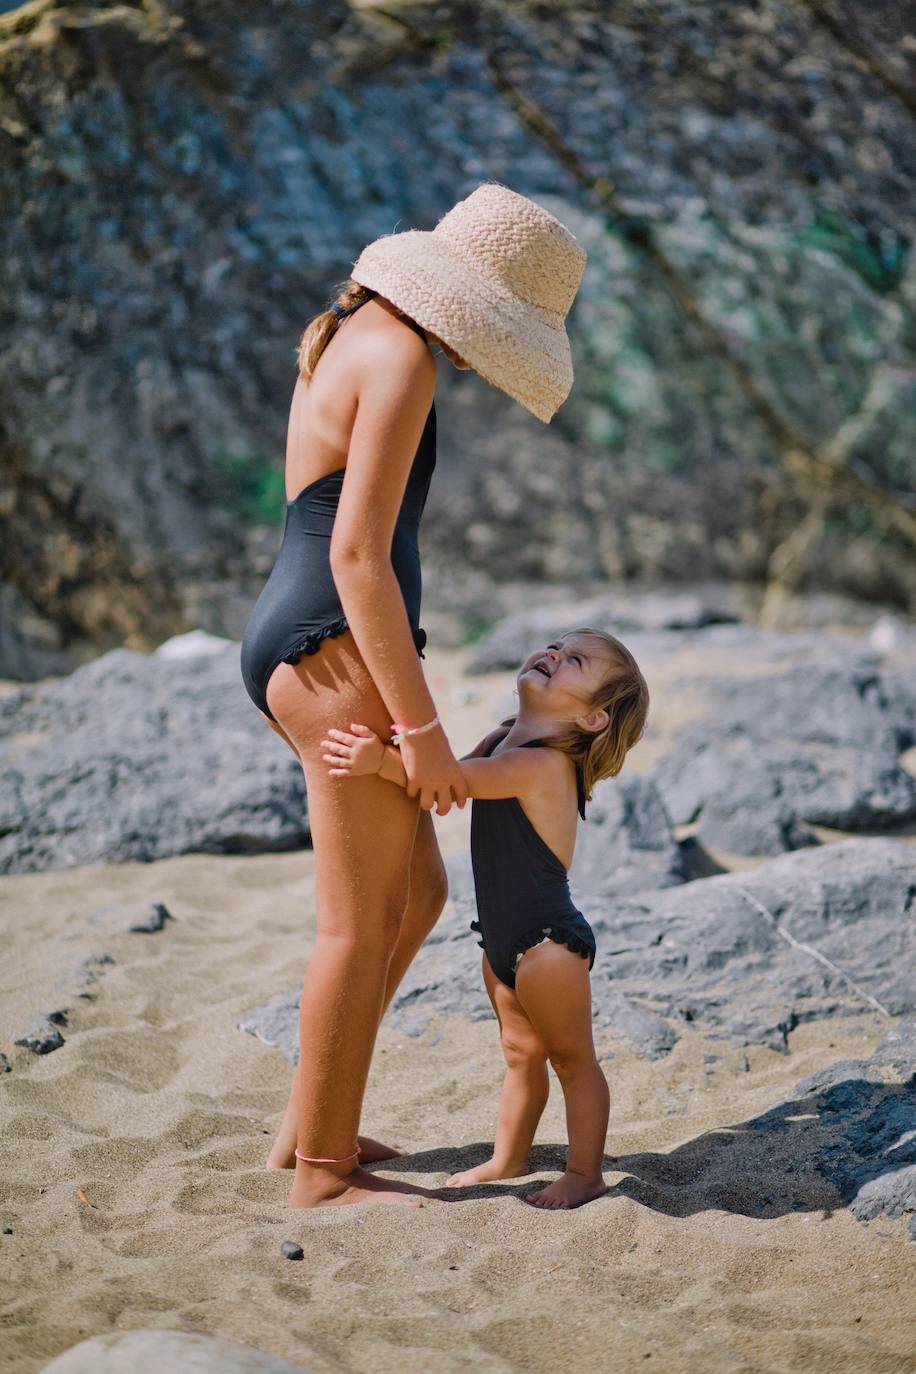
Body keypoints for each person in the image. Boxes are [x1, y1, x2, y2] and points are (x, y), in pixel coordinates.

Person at [239, 183, 588, 1208]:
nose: (487, 360)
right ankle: (318, 1170)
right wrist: (422, 734)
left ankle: (314, 1122)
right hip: (330, 648)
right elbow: (357, 556)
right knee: (356, 923)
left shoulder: (357, 331)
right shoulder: (400, 360)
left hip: (298, 640)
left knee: (421, 896)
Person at [321, 628, 649, 1209]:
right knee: (521, 1057)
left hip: (548, 943)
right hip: (499, 939)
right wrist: (404, 750)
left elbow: (453, 781)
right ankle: (509, 1158)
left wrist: (381, 762)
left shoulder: (546, 764)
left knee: (574, 1062)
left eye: (573, 661)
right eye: (555, 645)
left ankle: (585, 1173)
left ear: (594, 720)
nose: (552, 654)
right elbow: (441, 785)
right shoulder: (504, 736)